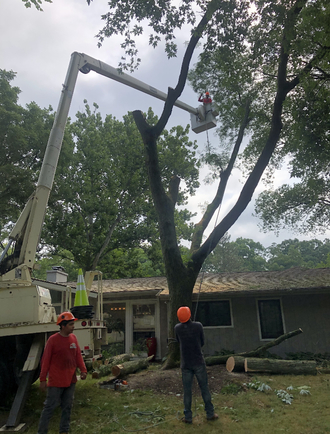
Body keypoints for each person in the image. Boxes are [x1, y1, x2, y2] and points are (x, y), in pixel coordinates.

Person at [37, 311, 87, 434]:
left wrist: (83, 370)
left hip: (71, 380)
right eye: (70, 324)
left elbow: (78, 357)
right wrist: (43, 379)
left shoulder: (73, 338)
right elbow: (46, 360)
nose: (73, 327)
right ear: (63, 326)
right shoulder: (52, 340)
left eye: (73, 324)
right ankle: (42, 432)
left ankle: (64, 431)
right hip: (56, 381)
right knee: (49, 407)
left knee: (67, 407)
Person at [175, 306, 218, 424]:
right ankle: (210, 413)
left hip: (185, 364)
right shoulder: (198, 326)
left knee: (187, 391)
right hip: (199, 362)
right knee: (204, 388)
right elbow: (202, 341)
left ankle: (188, 417)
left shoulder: (177, 328)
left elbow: (178, 341)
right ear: (190, 315)